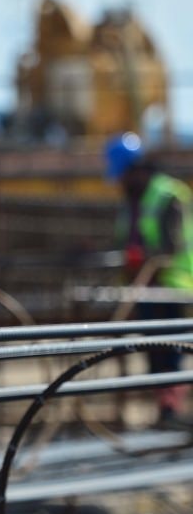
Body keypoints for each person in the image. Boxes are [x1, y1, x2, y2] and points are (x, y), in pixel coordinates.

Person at [107, 131, 193, 428]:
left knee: (172, 351)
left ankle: (173, 411)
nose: (120, 183)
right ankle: (164, 411)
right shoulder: (133, 199)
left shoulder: (167, 194)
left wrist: (144, 259)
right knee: (153, 351)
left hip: (171, 286)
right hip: (144, 289)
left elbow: (172, 246)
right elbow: (127, 240)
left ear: (137, 170)